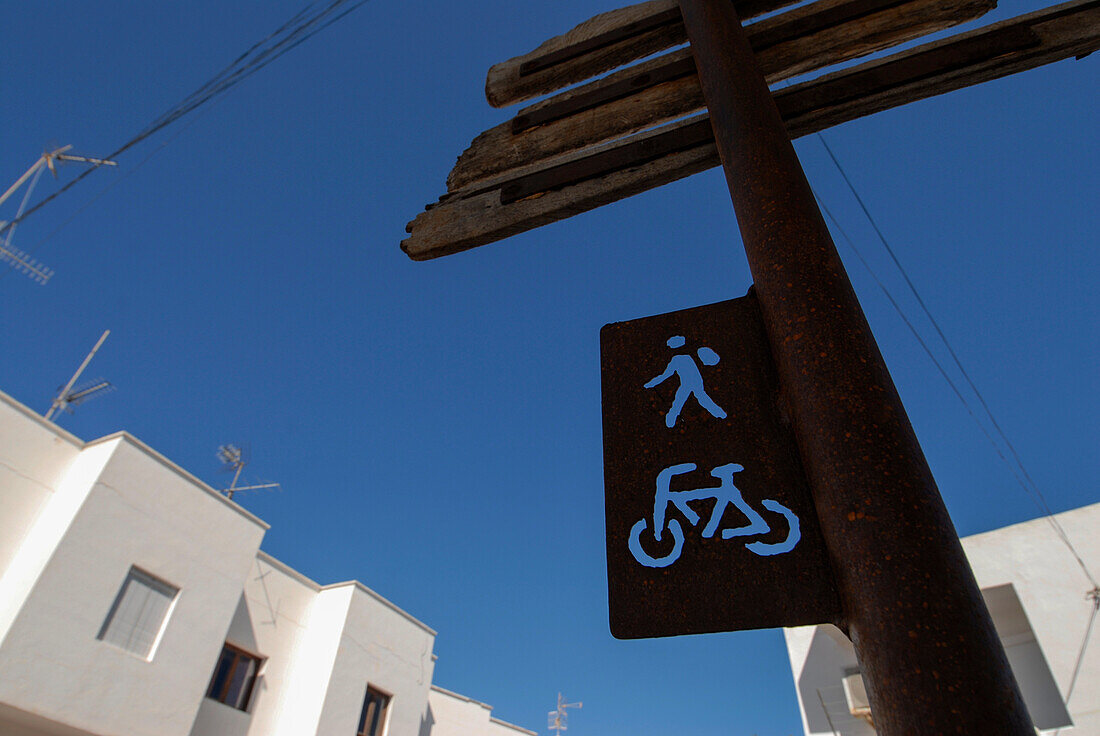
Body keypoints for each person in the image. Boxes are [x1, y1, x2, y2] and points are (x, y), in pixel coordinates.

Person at [644, 335, 726, 428]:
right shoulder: (686, 357)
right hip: (694, 382)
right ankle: (720, 414)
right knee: (694, 399)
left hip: (690, 383)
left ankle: (671, 419)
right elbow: (665, 375)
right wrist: (651, 383)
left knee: (682, 401)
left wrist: (651, 384)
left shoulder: (678, 359)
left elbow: (665, 375)